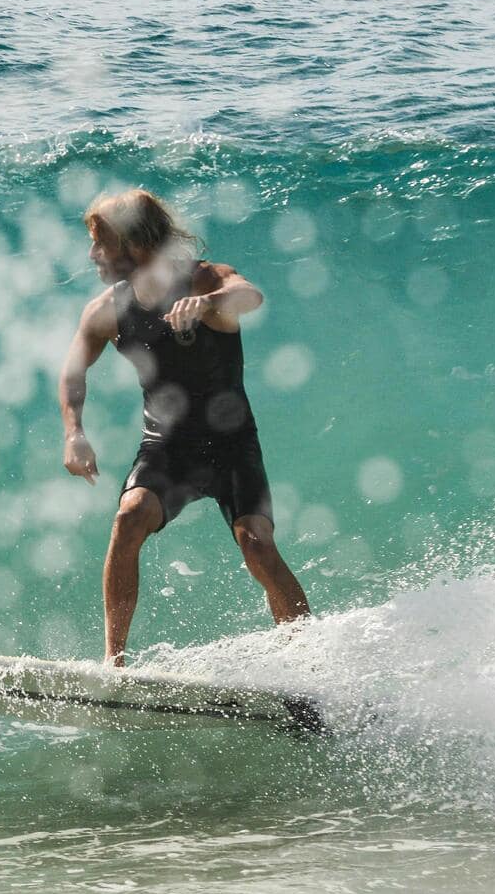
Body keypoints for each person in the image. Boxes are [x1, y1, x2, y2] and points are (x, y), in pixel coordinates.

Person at [57, 188, 310, 667]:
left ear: (134, 242)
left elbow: (249, 294)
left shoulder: (204, 280)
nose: (92, 254)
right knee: (129, 518)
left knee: (257, 546)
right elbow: (72, 372)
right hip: (166, 447)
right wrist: (74, 432)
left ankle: (309, 658)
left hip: (233, 446)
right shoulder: (106, 309)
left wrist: (210, 302)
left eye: (100, 241)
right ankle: (114, 663)